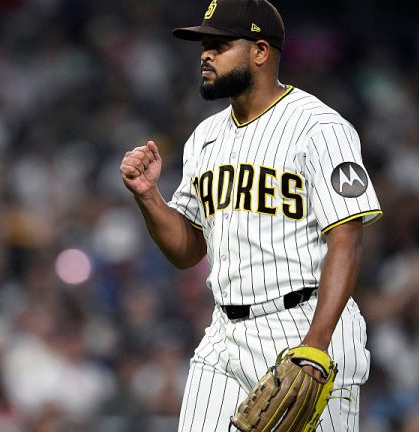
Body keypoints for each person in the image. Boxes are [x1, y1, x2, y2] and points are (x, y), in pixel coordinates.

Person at [119, 0, 382, 430]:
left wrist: (315, 346)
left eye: (220, 45)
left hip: (306, 321)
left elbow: (347, 239)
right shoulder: (205, 137)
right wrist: (149, 198)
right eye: (204, 45)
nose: (205, 55)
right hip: (225, 332)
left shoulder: (320, 128)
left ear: (260, 51)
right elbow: (187, 250)